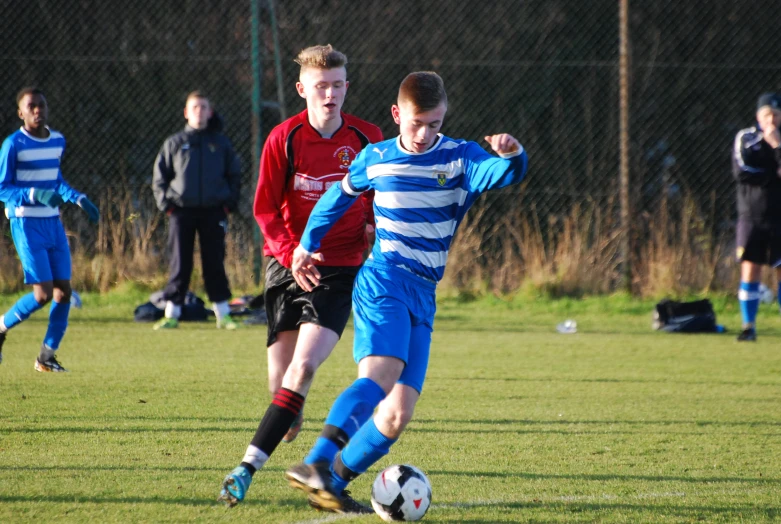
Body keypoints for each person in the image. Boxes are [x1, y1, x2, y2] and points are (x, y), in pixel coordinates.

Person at [284, 71, 528, 514]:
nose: (423, 134)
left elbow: (498, 173)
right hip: (384, 281)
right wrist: (306, 245)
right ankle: (316, 462)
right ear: (397, 115)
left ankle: (333, 485)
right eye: (416, 123)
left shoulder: (460, 158)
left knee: (396, 415)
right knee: (379, 375)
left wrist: (512, 156)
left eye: (434, 124)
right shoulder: (374, 157)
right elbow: (337, 200)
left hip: (423, 292)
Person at [218, 45, 381, 507]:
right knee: (281, 383)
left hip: (339, 267)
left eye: (337, 85)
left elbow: (377, 195)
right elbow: (264, 210)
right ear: (302, 88)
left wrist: (372, 223)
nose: (330, 94)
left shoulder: (367, 138)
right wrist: (293, 254)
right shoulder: (284, 138)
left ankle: (245, 467)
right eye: (321, 86)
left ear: (347, 86)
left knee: (304, 367)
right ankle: (291, 407)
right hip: (286, 263)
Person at [0, 87, 100, 372]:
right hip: (26, 224)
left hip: (53, 223)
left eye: (41, 105)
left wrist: (77, 197)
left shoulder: (57, 141)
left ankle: (46, 356)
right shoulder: (13, 144)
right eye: (31, 106)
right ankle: (1, 327)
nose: (37, 110)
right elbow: (2, 188)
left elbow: (55, 180)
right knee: (42, 294)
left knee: (63, 291)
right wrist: (34, 194)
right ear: (21, 113)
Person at [152, 91, 242, 330]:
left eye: (203, 107)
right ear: (186, 112)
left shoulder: (220, 143)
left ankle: (223, 315)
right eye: (195, 107)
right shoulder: (174, 143)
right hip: (181, 212)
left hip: (214, 212)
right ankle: (172, 313)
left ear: (210, 112)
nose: (199, 112)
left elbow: (235, 175)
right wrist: (167, 205)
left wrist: (228, 203)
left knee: (214, 261)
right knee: (180, 262)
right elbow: (160, 178)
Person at [732, 92, 781, 341]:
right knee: (751, 270)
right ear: (758, 116)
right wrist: (774, 174)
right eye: (766, 114)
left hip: (779, 219)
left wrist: (777, 146)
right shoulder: (746, 138)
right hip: (752, 217)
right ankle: (748, 326)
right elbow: (743, 172)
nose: (771, 119)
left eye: (775, 114)